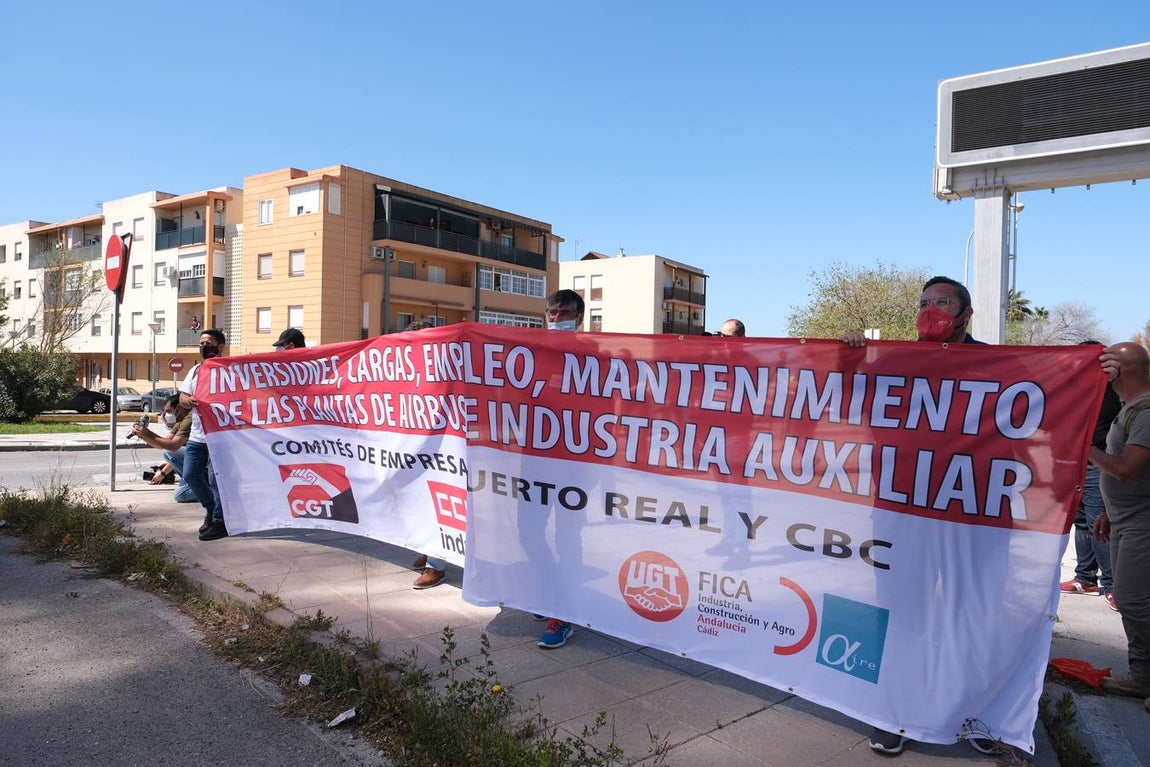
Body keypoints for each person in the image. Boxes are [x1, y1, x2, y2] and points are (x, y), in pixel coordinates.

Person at [844, 276, 994, 756]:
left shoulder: (1000, 365)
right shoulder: (894, 361)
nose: (931, 310)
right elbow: (842, 399)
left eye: (943, 302)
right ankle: (894, 712)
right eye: (924, 303)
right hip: (900, 509)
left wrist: (1101, 372)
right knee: (900, 613)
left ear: (966, 313)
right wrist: (846, 359)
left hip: (969, 513)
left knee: (970, 614)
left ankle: (973, 710)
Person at [1091, 342, 1150, 704]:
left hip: (1143, 522)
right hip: (1127, 520)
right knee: (1134, 599)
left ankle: (1144, 676)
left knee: (1133, 599)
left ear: (1122, 370)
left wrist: (1082, 446)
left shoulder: (1146, 412)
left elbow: (1127, 469)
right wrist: (1109, 513)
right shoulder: (1130, 409)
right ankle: (1142, 674)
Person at [529, 289, 586, 649]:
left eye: (564, 312)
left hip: (573, 464)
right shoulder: (532, 351)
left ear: (579, 318)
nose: (556, 318)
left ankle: (563, 612)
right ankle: (551, 590)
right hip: (532, 460)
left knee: (567, 537)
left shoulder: (593, 356)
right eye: (551, 313)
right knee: (527, 532)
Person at [1061, 341, 1122, 610]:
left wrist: (1114, 376)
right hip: (1074, 463)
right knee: (1082, 521)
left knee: (1100, 524)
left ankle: (1112, 586)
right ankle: (1085, 578)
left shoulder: (1114, 389)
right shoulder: (1070, 388)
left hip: (1100, 463)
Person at [402, 319, 449, 589]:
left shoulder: (444, 368)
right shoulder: (402, 370)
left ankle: (436, 565)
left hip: (441, 450)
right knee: (418, 504)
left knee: (437, 507)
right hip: (412, 449)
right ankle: (427, 546)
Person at [179, 329, 228, 542]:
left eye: (208, 343)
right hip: (198, 435)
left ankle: (219, 521)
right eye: (201, 343)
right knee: (190, 475)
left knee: (215, 479)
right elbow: (182, 397)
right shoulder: (196, 370)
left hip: (220, 435)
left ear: (220, 347)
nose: (204, 347)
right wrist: (189, 401)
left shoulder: (230, 369)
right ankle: (212, 509)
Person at [131, 393, 196, 504]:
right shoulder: (180, 422)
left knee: (180, 495)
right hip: (196, 461)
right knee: (168, 454)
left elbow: (172, 446)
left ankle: (210, 490)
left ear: (179, 408)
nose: (166, 415)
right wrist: (143, 435)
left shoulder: (190, 419)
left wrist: (148, 434)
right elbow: (163, 444)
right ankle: (194, 484)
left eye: (169, 411)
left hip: (206, 464)